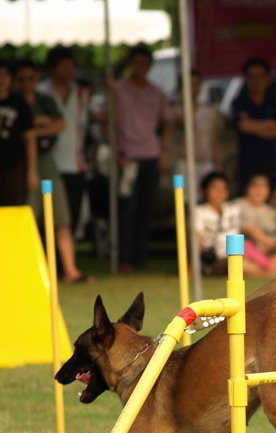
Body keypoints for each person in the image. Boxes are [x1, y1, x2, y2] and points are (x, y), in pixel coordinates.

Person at [15, 59, 91, 283]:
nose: (26, 83)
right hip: (20, 165)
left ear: (37, 78)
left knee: (62, 218)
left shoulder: (44, 100)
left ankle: (70, 270)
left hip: (47, 163)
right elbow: (24, 135)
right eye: (21, 79)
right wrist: (38, 126)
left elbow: (60, 124)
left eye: (31, 78)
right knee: (28, 220)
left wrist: (36, 129)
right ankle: (29, 271)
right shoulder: (14, 102)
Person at [107, 43, 173, 271]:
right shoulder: (118, 90)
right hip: (127, 156)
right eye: (136, 63)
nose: (140, 67)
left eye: (145, 63)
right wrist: (114, 150)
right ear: (131, 64)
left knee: (146, 209)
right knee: (126, 209)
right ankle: (124, 257)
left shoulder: (157, 93)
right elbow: (107, 120)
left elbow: (167, 124)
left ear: (150, 65)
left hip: (151, 154)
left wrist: (164, 152)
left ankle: (140, 257)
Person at [38, 45, 92, 234]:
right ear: (52, 68)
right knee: (49, 217)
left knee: (72, 216)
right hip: (48, 162)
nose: (69, 71)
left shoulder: (82, 93)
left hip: (75, 163)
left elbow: (83, 125)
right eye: (64, 66)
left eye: (72, 66)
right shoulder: (40, 92)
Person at [0, 58, 39, 207]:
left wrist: (32, 172)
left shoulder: (19, 103)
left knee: (14, 209)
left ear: (11, 79)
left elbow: (30, 138)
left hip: (13, 167)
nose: (0, 79)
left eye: (5, 75)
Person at [230, 57, 276, 195]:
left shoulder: (274, 102)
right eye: (252, 76)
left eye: (260, 76)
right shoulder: (240, 102)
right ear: (245, 79)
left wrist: (253, 125)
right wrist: (269, 125)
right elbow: (243, 126)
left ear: (267, 78)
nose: (256, 81)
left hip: (271, 161)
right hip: (247, 163)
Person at [172, 69, 224, 184]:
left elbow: (214, 140)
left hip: (207, 163)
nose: (193, 88)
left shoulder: (209, 112)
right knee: (180, 194)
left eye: (196, 84)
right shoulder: (176, 111)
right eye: (189, 84)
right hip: (183, 163)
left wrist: (218, 163)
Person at [232, 171, 276, 275]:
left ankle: (270, 270)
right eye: (255, 185)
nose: (259, 190)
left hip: (270, 254)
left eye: (264, 186)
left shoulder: (272, 212)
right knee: (239, 262)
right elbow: (249, 229)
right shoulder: (237, 206)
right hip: (246, 253)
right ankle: (268, 273)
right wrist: (273, 244)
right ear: (247, 187)